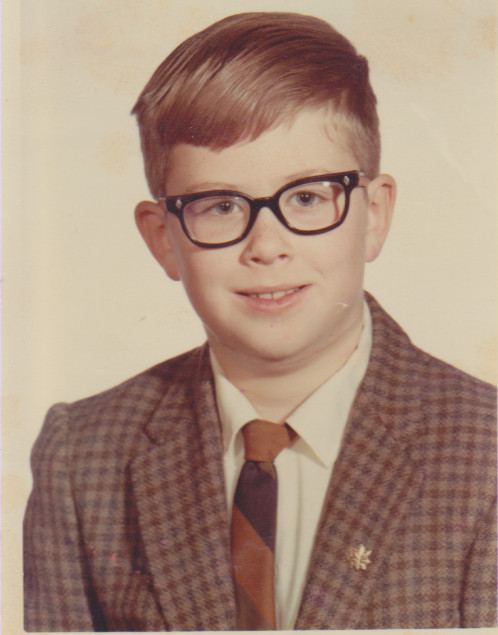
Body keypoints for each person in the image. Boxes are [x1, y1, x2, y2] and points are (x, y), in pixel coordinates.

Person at [23, 11, 496, 631]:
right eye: (220, 206)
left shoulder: (485, 455)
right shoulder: (83, 458)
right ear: (163, 238)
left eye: (307, 197)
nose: (267, 246)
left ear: (375, 214)